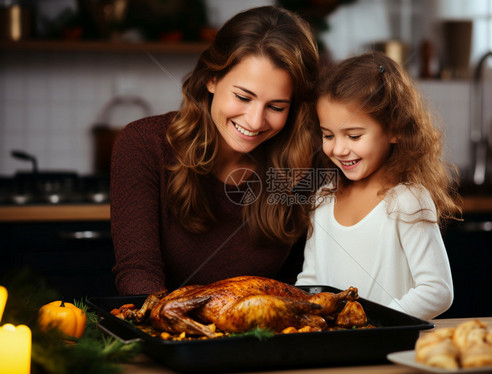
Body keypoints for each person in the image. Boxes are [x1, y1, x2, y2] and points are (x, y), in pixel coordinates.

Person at [110, 6, 320, 295]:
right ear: (211, 78)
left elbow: (300, 283)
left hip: (265, 335)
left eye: (276, 106)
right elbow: (138, 272)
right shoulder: (144, 144)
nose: (255, 121)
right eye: (243, 97)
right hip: (167, 334)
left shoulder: (307, 165)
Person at [296, 51, 462, 320]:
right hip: (335, 349)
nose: (338, 148)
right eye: (328, 135)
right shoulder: (323, 199)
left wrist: (375, 325)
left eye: (354, 135)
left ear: (395, 129)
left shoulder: (407, 200)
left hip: (390, 350)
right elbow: (311, 279)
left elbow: (437, 291)